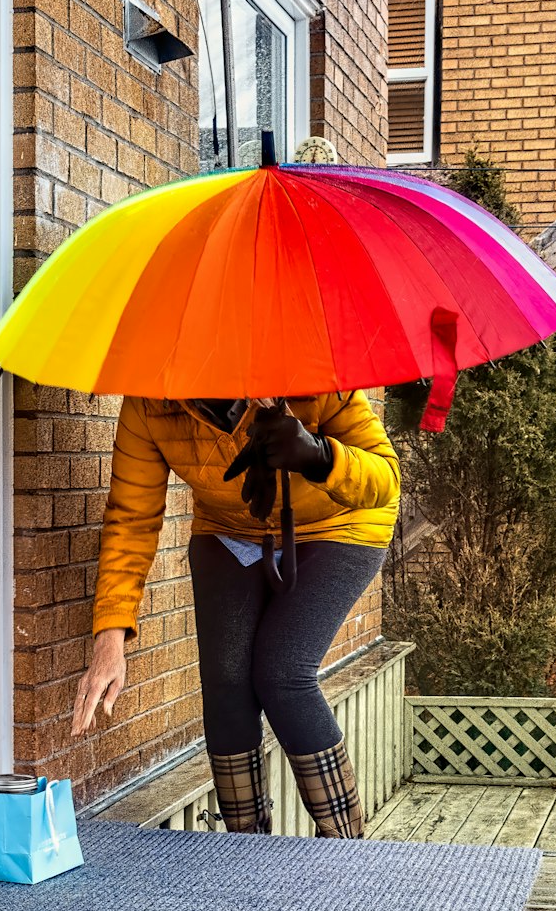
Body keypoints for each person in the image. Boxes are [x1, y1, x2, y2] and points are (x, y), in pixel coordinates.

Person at [71, 140, 401, 839]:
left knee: (280, 671)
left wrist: (315, 455)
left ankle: (351, 856)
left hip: (339, 527)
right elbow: (131, 518)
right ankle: (245, 857)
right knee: (225, 684)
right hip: (228, 528)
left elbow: (382, 483)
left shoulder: (305, 369)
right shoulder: (149, 403)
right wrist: (110, 636)